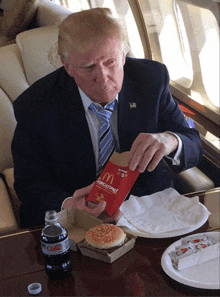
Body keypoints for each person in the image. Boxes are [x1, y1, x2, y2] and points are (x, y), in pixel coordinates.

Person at [11, 8, 203, 228]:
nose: (102, 78)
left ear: (122, 56)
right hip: (78, 216)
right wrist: (69, 204)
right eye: (88, 67)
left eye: (110, 62)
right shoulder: (35, 104)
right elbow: (29, 183)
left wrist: (170, 140)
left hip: (147, 209)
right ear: (68, 66)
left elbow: (193, 144)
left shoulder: (151, 80)